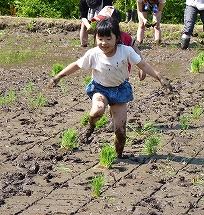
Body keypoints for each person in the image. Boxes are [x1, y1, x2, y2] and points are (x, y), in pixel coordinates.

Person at [47, 17, 172, 158]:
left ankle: (118, 155)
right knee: (97, 111)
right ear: (95, 38)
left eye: (108, 38)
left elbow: (142, 65)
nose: (104, 43)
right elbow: (76, 65)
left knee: (120, 131)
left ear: (117, 38)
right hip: (100, 88)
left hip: (120, 90)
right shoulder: (93, 53)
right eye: (100, 39)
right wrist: (58, 77)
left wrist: (160, 78)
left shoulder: (126, 51)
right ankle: (90, 126)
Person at [91, 6, 146, 132]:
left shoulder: (125, 37)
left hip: (121, 74)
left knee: (116, 100)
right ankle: (114, 120)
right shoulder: (102, 38)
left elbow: (135, 49)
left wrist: (141, 67)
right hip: (105, 75)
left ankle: (115, 121)